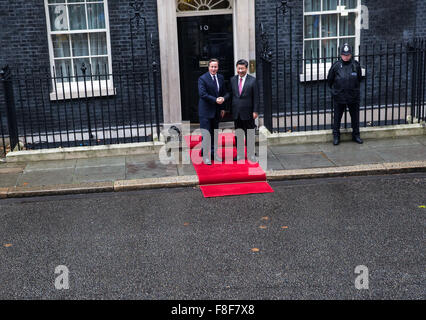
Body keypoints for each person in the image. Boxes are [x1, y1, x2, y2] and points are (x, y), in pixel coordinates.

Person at [327, 43, 363, 146]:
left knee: (355, 118)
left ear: (351, 54)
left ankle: (356, 135)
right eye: (344, 54)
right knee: (337, 118)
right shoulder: (336, 66)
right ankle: (336, 136)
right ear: (341, 55)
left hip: (353, 97)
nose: (345, 57)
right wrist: (335, 92)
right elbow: (330, 80)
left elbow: (359, 79)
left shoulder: (356, 65)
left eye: (347, 54)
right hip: (340, 97)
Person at [198, 58, 228, 165]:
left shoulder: (220, 78)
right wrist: (215, 100)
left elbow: (224, 93)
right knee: (206, 133)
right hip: (205, 111)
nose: (214, 69)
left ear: (218, 67)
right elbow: (203, 94)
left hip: (217, 111)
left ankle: (214, 153)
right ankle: (206, 156)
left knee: (214, 133)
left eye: (215, 67)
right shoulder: (202, 78)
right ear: (208, 67)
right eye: (212, 66)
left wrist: (223, 104)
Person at [228, 59, 259, 162]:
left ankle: (251, 154)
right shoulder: (232, 80)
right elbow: (231, 95)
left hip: (249, 112)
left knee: (249, 134)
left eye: (242, 68)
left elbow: (256, 97)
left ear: (246, 69)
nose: (240, 70)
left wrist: (255, 111)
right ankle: (240, 154)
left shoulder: (252, 80)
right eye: (239, 68)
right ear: (236, 68)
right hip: (237, 112)